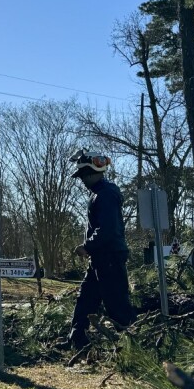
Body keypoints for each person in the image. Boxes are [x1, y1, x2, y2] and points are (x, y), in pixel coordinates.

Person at [67, 149, 135, 348]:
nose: (82, 180)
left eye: (83, 176)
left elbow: (107, 230)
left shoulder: (105, 195)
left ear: (92, 172)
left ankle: (134, 348)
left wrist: (87, 246)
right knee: (85, 300)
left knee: (117, 304)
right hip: (100, 259)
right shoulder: (100, 194)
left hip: (110, 258)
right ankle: (76, 340)